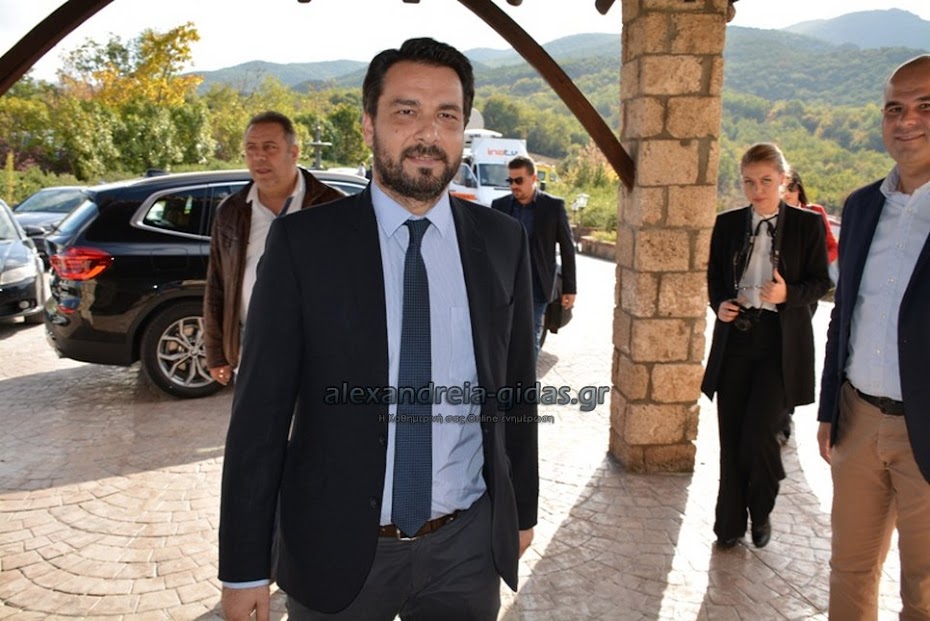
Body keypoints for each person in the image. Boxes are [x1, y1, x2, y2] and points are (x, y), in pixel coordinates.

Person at [218, 38, 539, 620]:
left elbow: (516, 387)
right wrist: (244, 567)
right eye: (406, 111)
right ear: (368, 125)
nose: (428, 133)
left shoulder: (500, 241)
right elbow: (259, 417)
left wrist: (522, 510)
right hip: (337, 551)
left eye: (448, 116)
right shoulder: (303, 246)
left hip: (466, 550)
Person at [818, 55, 930, 620]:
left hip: (925, 432)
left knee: (924, 590)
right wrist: (828, 410)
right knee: (850, 570)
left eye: (925, 106)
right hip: (858, 420)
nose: (906, 120)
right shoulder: (863, 206)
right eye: (894, 108)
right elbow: (844, 315)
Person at [701, 142, 831, 550]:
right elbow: (715, 278)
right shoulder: (727, 224)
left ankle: (761, 509)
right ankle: (729, 524)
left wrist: (788, 294)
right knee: (731, 436)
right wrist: (720, 304)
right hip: (736, 338)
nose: (757, 190)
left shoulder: (807, 225)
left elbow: (821, 282)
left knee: (760, 434)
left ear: (783, 180)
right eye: (748, 182)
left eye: (766, 181)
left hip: (780, 345)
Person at [203, 111, 344, 386]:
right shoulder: (231, 212)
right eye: (251, 148)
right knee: (258, 415)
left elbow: (353, 287)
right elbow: (217, 285)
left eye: (269, 147)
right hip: (251, 350)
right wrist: (216, 353)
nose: (259, 157)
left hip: (317, 354)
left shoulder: (333, 206)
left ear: (294, 152)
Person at [490, 155, 576, 352]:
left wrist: (569, 288)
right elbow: (490, 245)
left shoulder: (553, 207)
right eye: (510, 181)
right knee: (504, 337)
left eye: (519, 180)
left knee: (529, 337)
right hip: (506, 286)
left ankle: (526, 373)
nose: (514, 186)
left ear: (534, 179)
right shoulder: (499, 206)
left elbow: (567, 248)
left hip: (538, 285)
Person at [782, 169, 839, 285]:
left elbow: (833, 247)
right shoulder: (772, 216)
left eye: (791, 187)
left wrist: (818, 266)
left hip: (811, 284)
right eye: (782, 188)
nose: (787, 193)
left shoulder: (815, 211)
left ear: (799, 188)